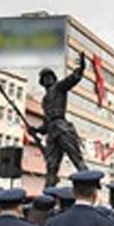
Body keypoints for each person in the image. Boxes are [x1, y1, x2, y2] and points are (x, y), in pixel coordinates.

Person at [34, 53, 88, 188]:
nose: (48, 79)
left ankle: (88, 185)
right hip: (52, 132)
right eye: (45, 78)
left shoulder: (59, 87)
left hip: (62, 128)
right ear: (42, 82)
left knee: (76, 158)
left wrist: (81, 68)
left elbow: (72, 79)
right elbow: (46, 124)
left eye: (50, 76)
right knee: (51, 166)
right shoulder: (45, 100)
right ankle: (48, 193)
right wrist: (36, 130)